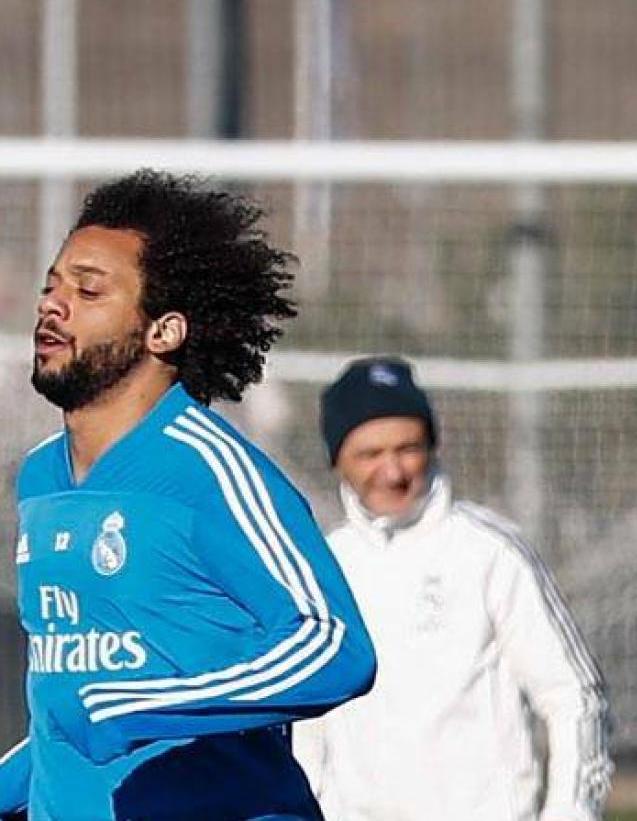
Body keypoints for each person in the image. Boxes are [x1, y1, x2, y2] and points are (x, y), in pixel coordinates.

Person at [0, 171, 376, 820]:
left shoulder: (209, 471)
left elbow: (333, 645)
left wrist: (137, 705)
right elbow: (67, 710)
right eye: (52, 286)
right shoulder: (40, 481)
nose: (53, 306)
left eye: (89, 290)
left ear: (163, 331)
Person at [292, 356, 612, 821]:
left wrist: (571, 812)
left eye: (409, 448)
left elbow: (574, 696)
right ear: (336, 458)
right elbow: (307, 725)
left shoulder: (490, 552)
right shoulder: (322, 567)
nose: (394, 471)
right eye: (370, 454)